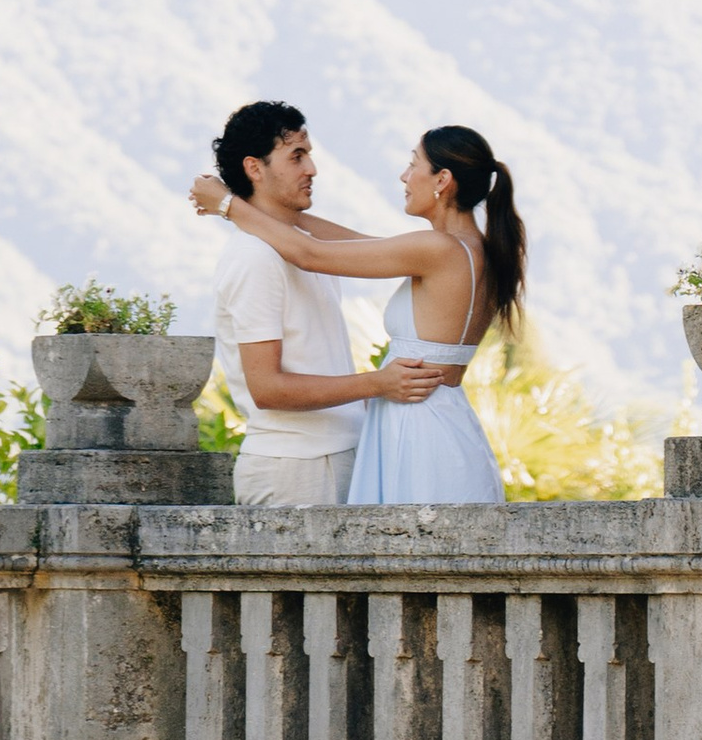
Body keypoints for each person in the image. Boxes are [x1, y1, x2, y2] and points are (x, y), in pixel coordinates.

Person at [192, 122, 523, 507]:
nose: (404, 175)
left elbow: (311, 254)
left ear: (443, 179)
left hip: (417, 427)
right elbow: (349, 243)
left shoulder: (438, 248)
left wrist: (229, 206)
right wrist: (257, 207)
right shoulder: (466, 248)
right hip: (437, 420)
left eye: (413, 164)